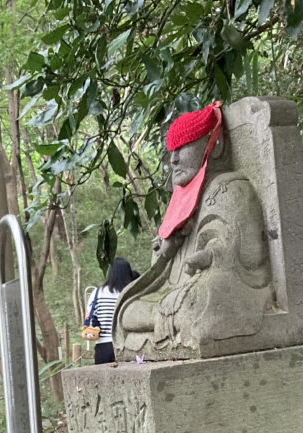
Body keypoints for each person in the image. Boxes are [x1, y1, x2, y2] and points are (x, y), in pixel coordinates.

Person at [114, 102, 274, 361]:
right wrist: (166, 251)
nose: (174, 159)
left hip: (221, 283)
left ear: (215, 145)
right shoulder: (179, 201)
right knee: (127, 308)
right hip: (175, 290)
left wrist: (212, 255)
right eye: (172, 151)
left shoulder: (230, 187)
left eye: (183, 147)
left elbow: (252, 256)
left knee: (203, 300)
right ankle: (162, 317)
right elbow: (162, 273)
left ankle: (164, 320)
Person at [86, 257, 137, 364]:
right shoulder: (130, 294)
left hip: (103, 348)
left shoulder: (97, 293)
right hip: (126, 346)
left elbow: (88, 319)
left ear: (110, 273)